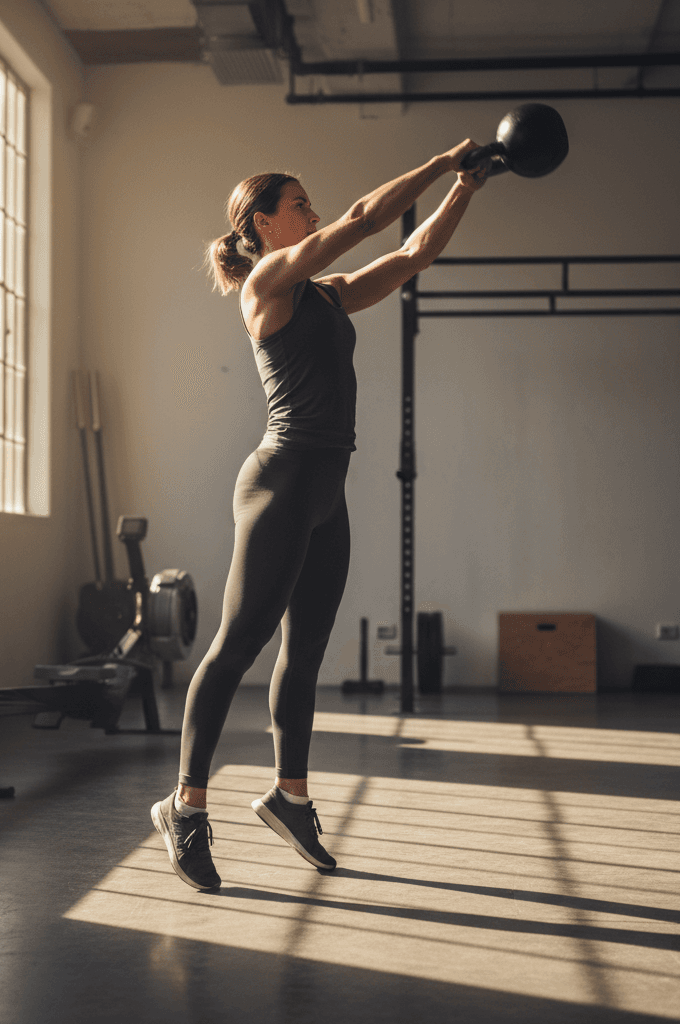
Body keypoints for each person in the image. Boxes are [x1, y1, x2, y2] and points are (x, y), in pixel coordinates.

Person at [152, 140, 490, 891]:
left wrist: (464, 188)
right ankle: (185, 806)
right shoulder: (269, 283)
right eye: (299, 204)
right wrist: (440, 159)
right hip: (279, 482)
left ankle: (290, 797)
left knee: (303, 653)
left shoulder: (326, 295)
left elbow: (410, 256)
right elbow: (370, 217)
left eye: (311, 203)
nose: (313, 211)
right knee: (236, 646)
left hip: (325, 489)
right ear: (262, 226)